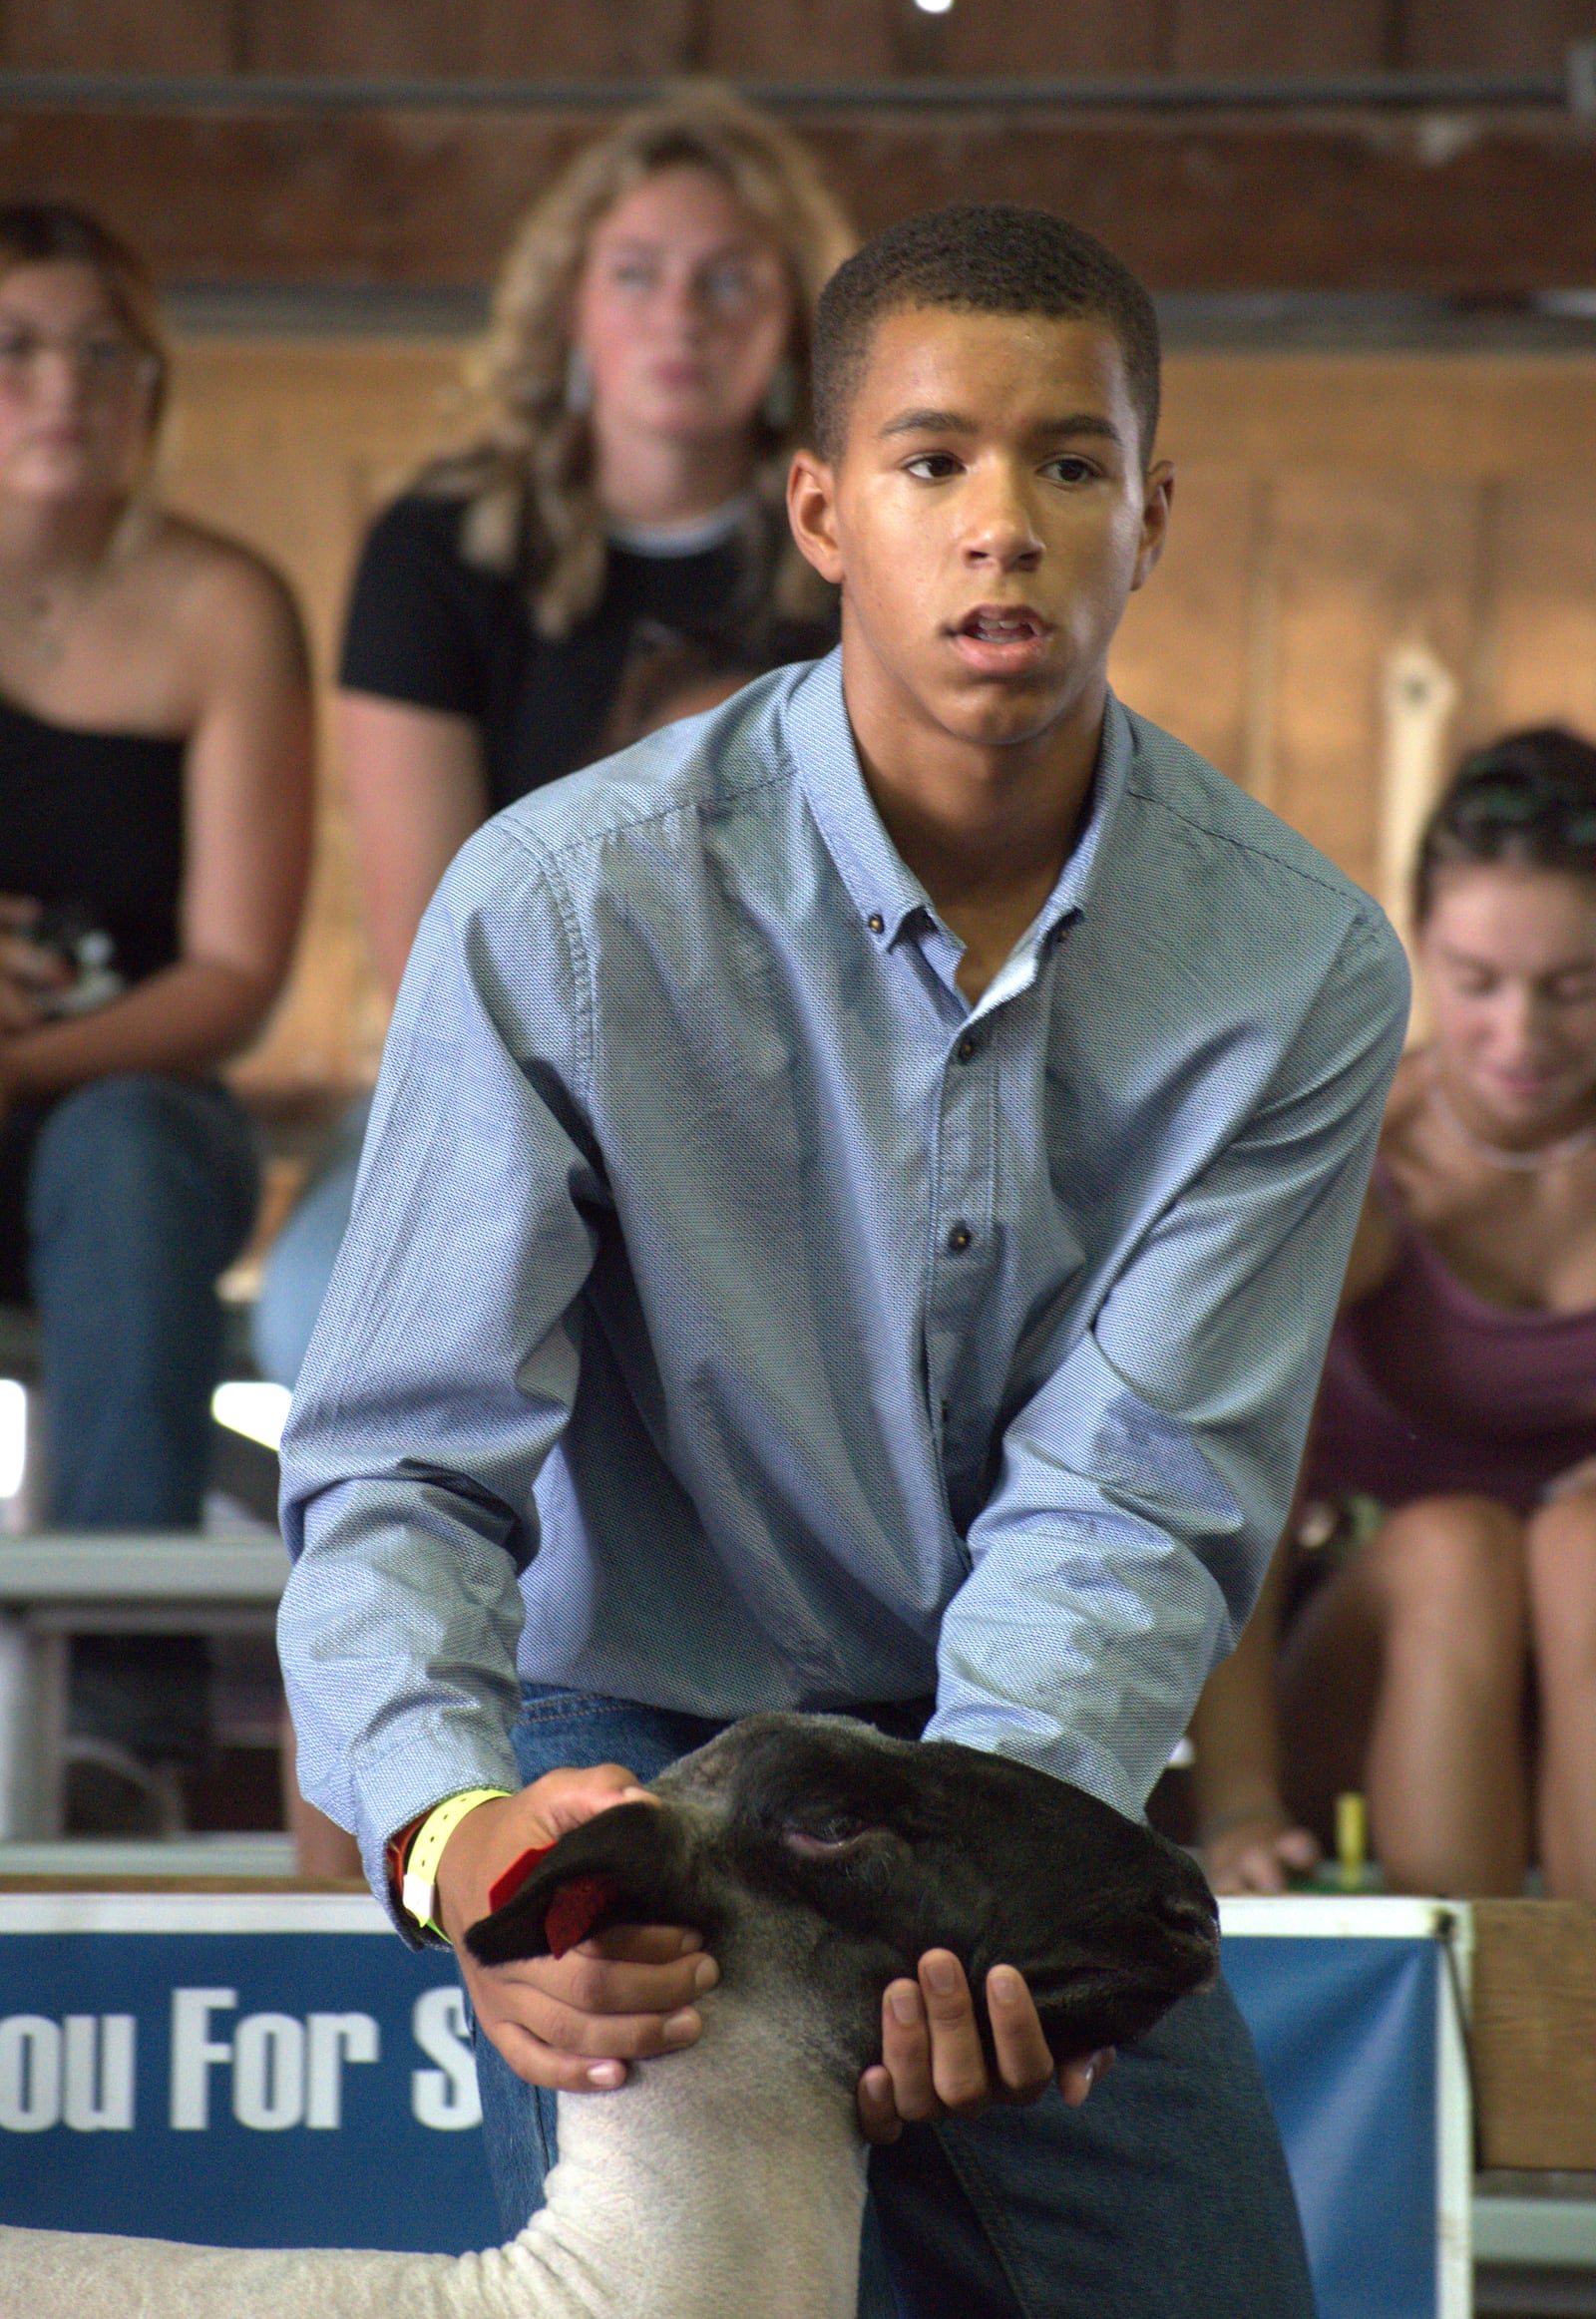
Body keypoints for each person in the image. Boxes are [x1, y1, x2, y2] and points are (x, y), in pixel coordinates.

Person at [279, 203, 1407, 2315]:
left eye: (1067, 465)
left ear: (1150, 512)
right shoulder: (561, 903)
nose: (1002, 527)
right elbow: (403, 1468)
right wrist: (461, 1848)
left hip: (1012, 1762)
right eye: (928, 464)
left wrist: (964, 1885)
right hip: (643, 1745)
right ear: (817, 508)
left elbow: (1133, 1497)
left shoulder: (1294, 964)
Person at [252, 88, 853, 1392]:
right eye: (636, 275)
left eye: (728, 279)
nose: (679, 315)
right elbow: (429, 941)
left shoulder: (856, 562)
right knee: (312, 1309)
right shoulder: (440, 551)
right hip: (493, 1071)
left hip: (788, 1089)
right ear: (572, 309)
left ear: (795, 324)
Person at [0, 200, 311, 1831]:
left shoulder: (221, 609)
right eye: (19, 348)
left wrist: (23, 1060)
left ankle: (111, 1724)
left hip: (129, 1101)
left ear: (152, 389)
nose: (63, 383)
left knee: (126, 1146)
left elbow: (233, 973)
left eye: (103, 350)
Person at [1191, 725, 1596, 1900]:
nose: (1518, 1038)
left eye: (1574, 991)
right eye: (1475, 984)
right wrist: (1238, 1806)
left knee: (1581, 1546)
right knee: (1457, 1548)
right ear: (1418, 948)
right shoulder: (1364, 1163)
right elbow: (1232, 1489)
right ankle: (1477, 2024)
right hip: (1378, 1670)